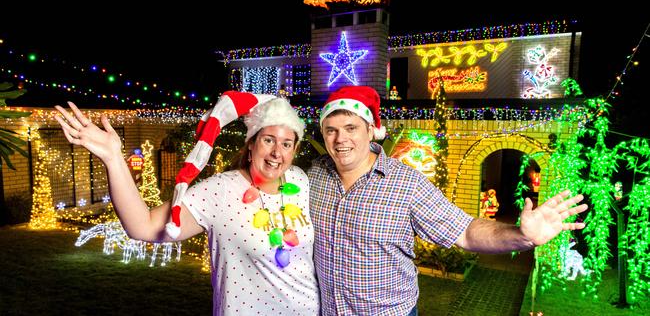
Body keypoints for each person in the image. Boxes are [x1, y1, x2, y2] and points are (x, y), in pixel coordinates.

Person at [309, 85, 588, 316]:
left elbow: (465, 231)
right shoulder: (314, 176)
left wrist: (522, 236)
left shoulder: (406, 184)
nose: (339, 139)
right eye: (330, 129)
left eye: (350, 128)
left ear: (370, 131)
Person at [54, 91, 319, 316]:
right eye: (268, 140)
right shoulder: (220, 191)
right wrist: (113, 157)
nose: (277, 153)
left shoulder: (299, 180)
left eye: (287, 144)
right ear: (250, 144)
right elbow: (142, 227)